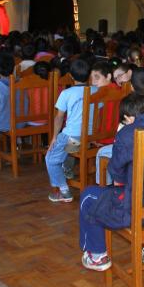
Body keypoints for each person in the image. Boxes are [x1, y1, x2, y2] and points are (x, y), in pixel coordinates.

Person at [78, 94, 144, 271]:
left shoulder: (128, 134)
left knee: (89, 195)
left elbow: (117, 176)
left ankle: (97, 256)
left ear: (128, 118)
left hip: (142, 211)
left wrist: (119, 135)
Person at [45, 59, 93, 203]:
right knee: (64, 151)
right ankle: (67, 169)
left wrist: (54, 137)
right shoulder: (96, 91)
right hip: (89, 138)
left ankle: (64, 191)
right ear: (89, 74)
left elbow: (59, 118)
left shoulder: (67, 93)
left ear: (71, 76)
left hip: (73, 138)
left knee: (50, 159)